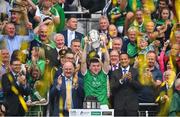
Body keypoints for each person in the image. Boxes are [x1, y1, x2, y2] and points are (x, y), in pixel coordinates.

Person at [81, 36, 110, 108]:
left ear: (101, 66)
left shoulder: (103, 73)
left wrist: (104, 46)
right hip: (89, 104)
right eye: (93, 66)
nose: (96, 68)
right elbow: (83, 62)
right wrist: (85, 45)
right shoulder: (86, 74)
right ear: (89, 67)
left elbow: (107, 60)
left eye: (98, 66)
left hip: (103, 104)